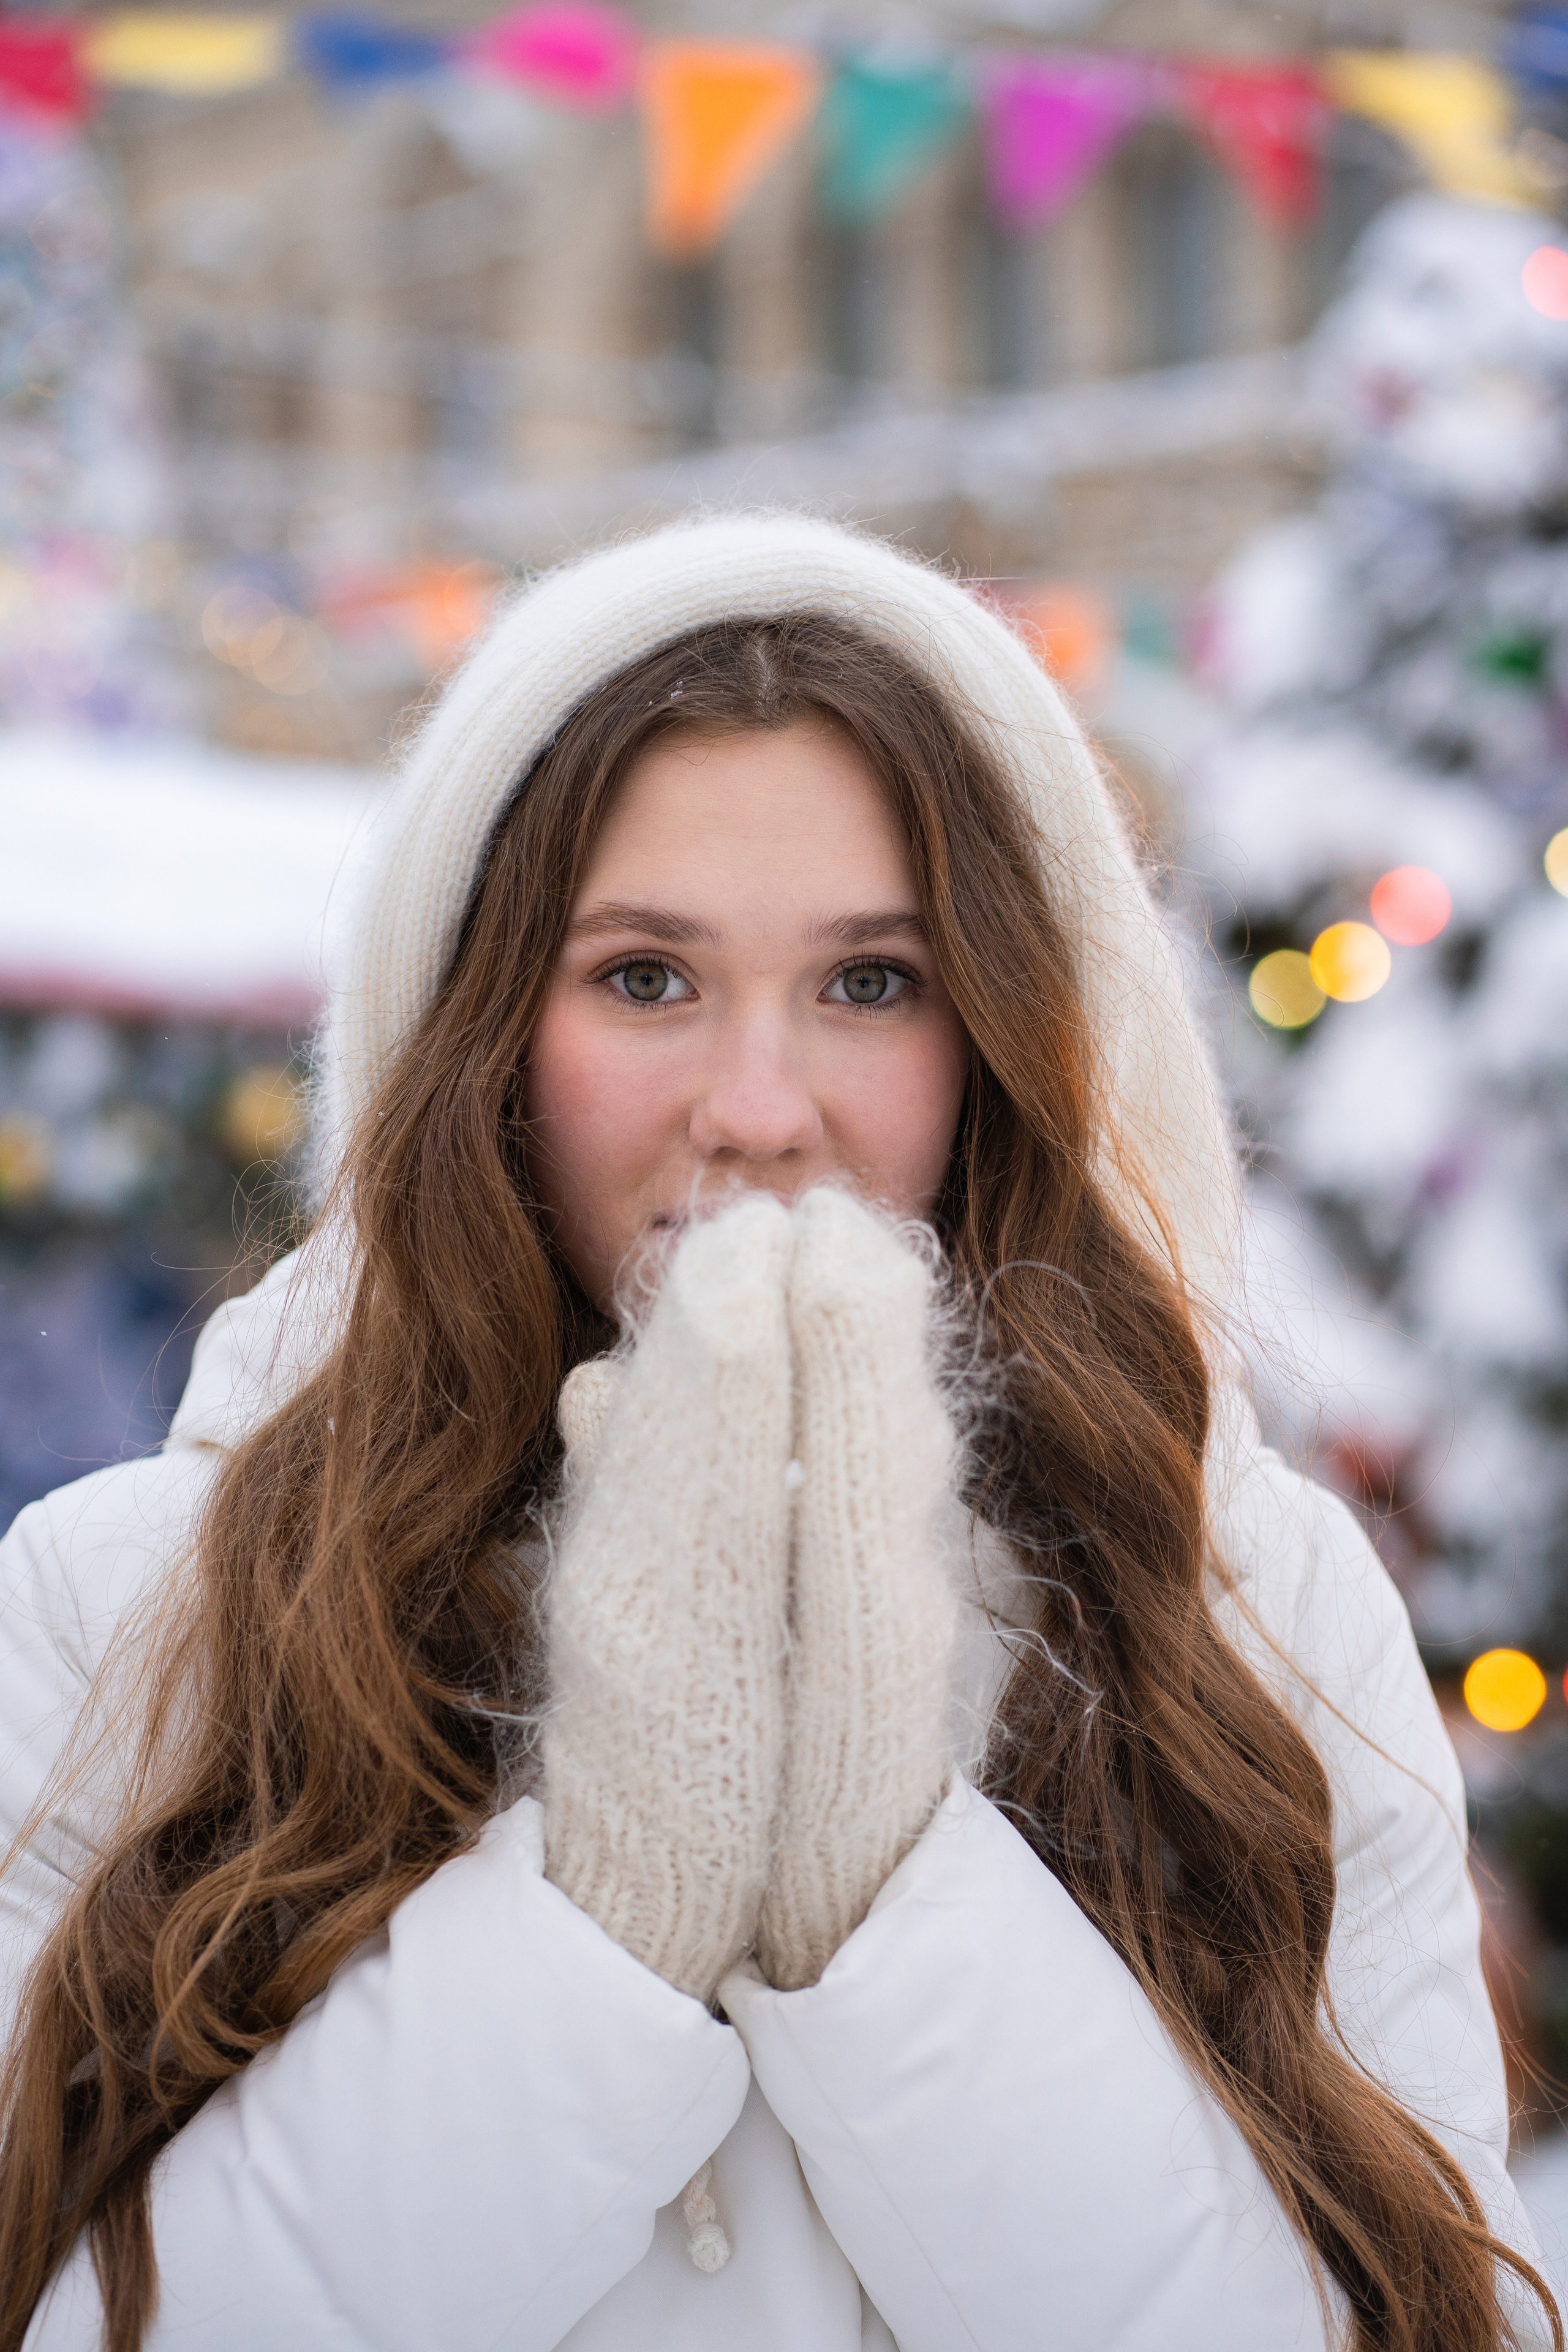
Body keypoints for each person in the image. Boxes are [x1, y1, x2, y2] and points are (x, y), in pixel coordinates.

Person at [0, 514, 1555, 2352]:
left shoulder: (1255, 1605)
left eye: (871, 983)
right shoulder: (129, 1602)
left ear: (1008, 1033)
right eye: (644, 978)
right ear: (478, 1031)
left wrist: (886, 1897)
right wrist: (607, 1916)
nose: (758, 1109)